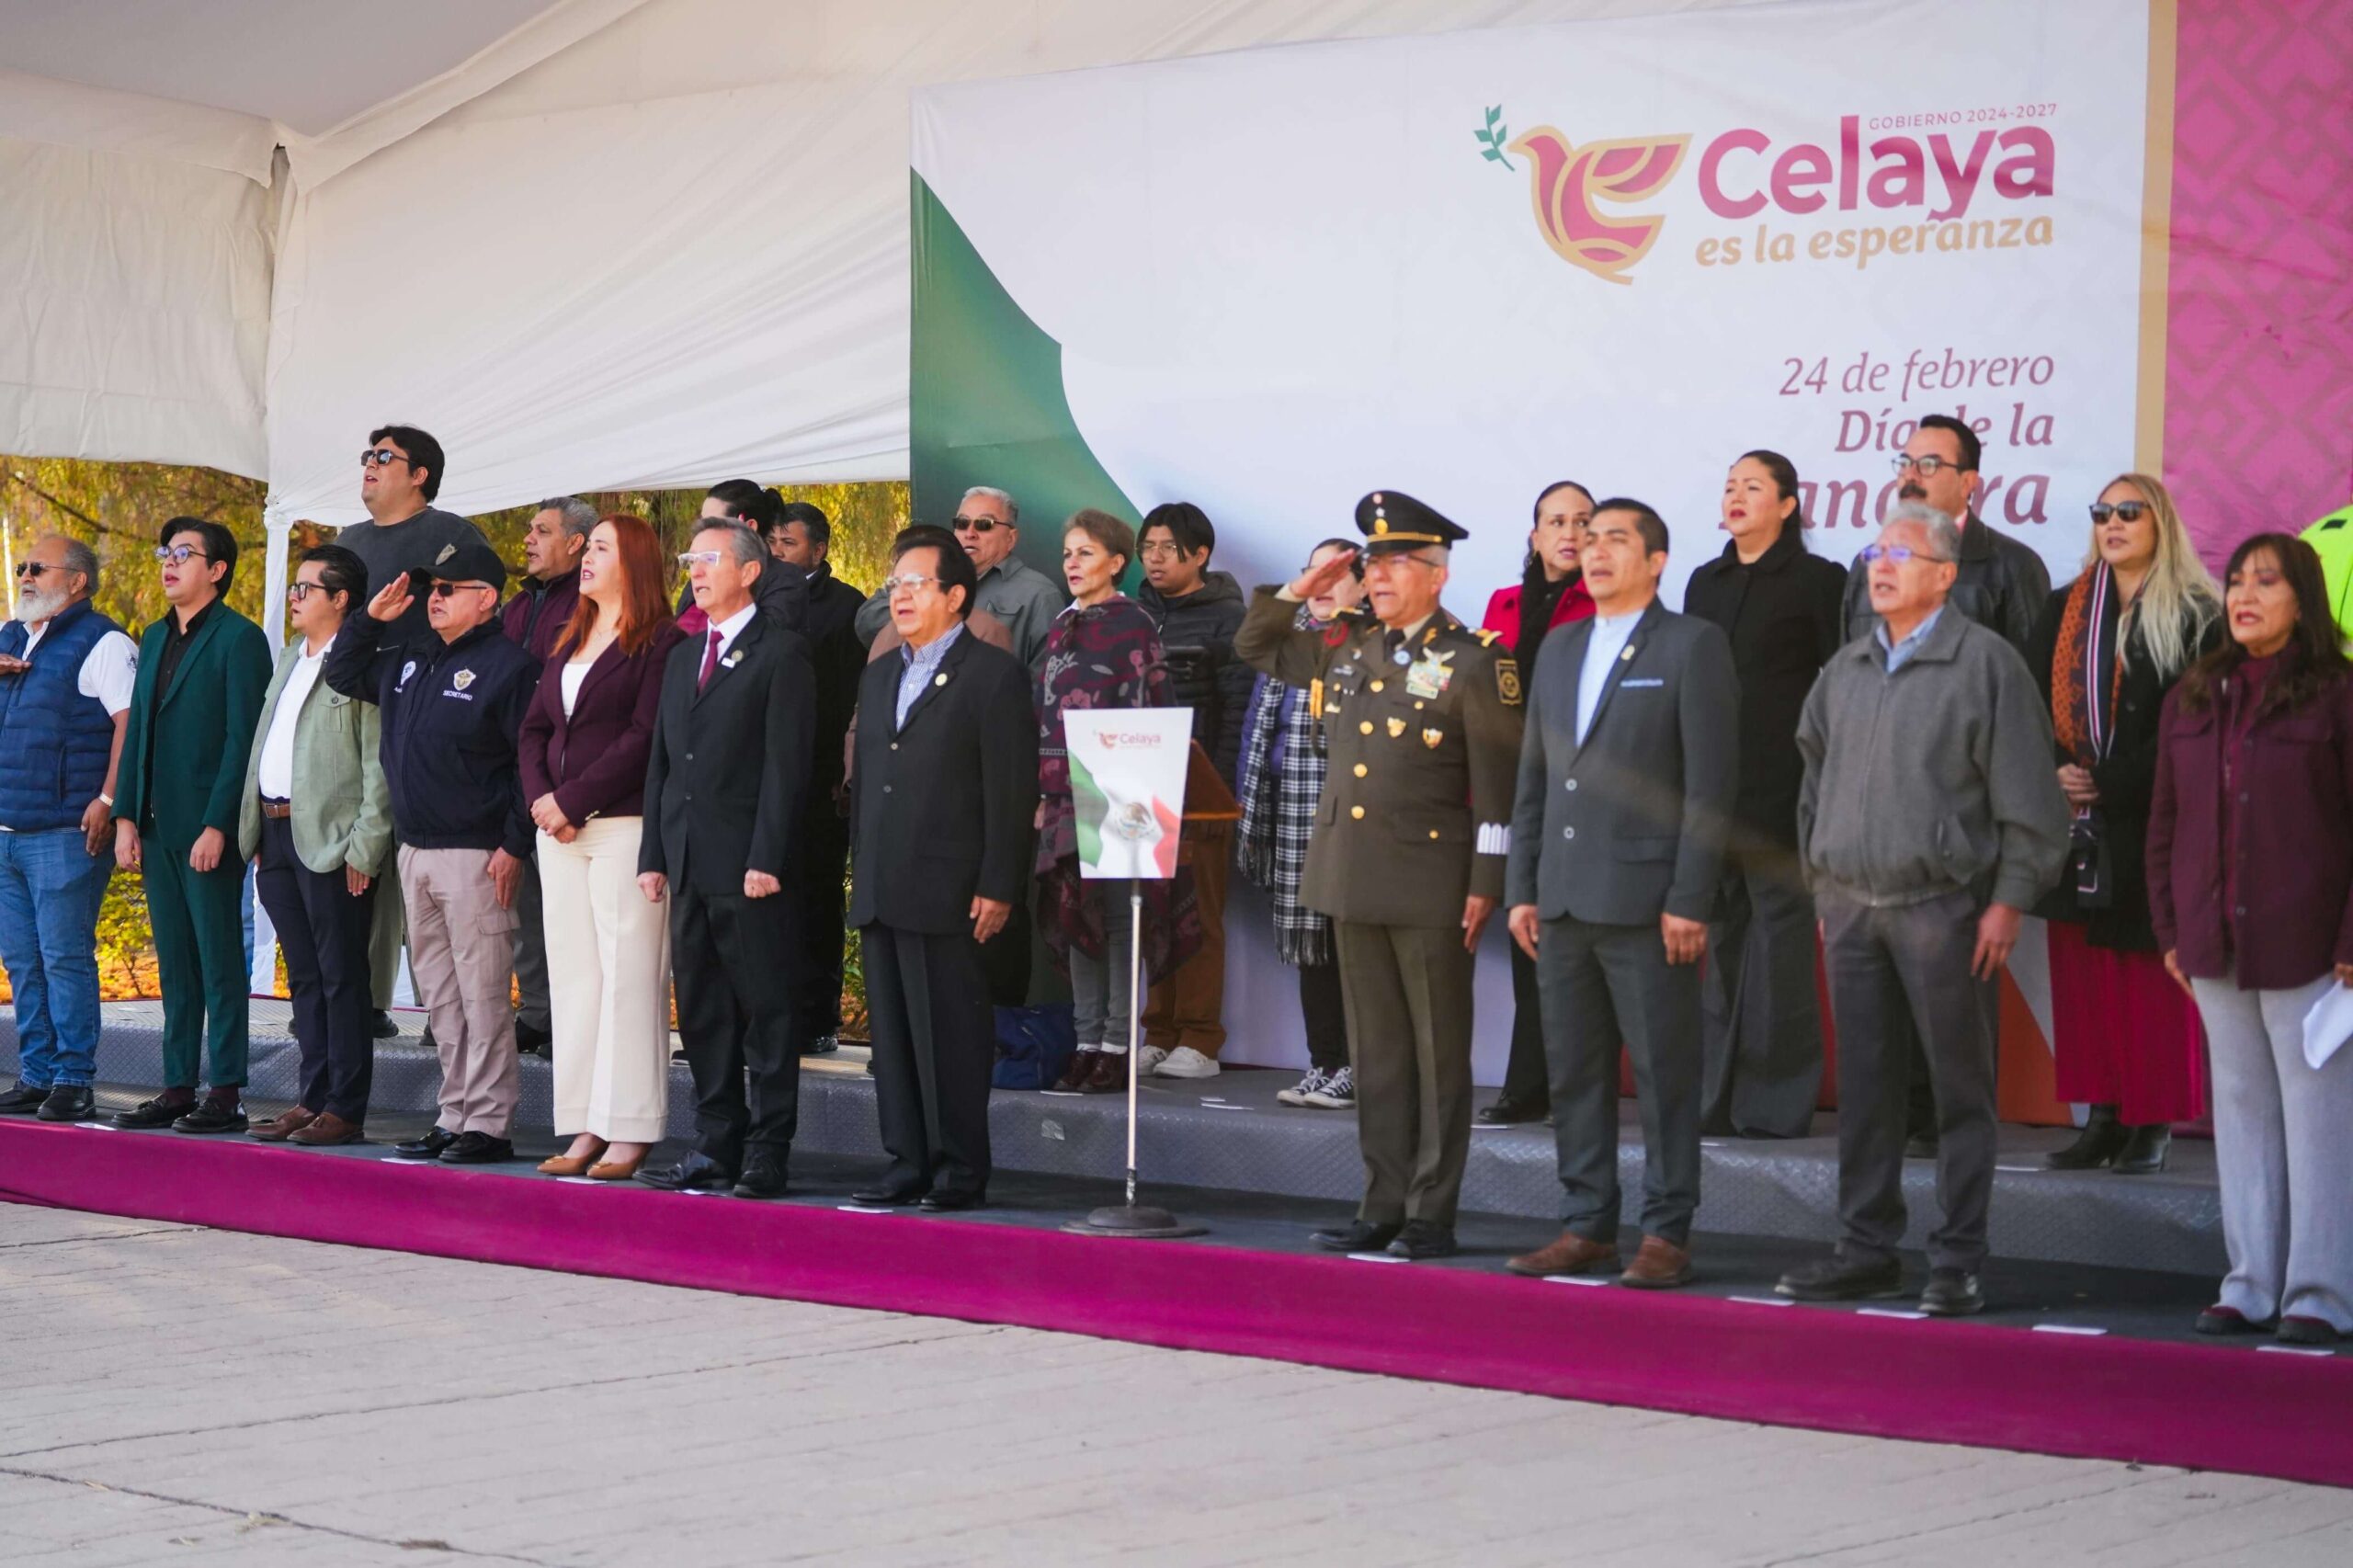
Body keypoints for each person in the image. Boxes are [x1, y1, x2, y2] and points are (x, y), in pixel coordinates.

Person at [1779, 505, 2069, 1316]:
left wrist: (2008, 902)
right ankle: (1866, 1248)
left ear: (1944, 576)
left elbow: (2031, 804)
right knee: (1868, 1090)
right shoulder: (1845, 669)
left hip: (1944, 909)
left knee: (1958, 1093)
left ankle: (1959, 1260)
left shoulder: (1986, 665)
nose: (1881, 565)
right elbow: (1812, 782)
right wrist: (1822, 882)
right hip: (1852, 909)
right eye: (1875, 551)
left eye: (1902, 554)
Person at [1234, 491, 1523, 1261]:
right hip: (1351, 877)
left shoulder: (1476, 658)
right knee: (1379, 1052)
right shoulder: (1348, 647)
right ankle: (1382, 1202)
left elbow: (1499, 785)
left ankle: (1433, 1211)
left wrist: (1487, 881)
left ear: (1436, 572)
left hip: (1432, 881)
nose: (1380, 575)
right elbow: (1257, 646)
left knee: (1435, 1053)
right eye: (1373, 563)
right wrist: (1298, 591)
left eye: (1397, 562)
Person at [1503, 500, 1738, 1287]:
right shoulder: (1562, 646)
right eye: (1586, 538)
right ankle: (1586, 1223)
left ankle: (1667, 1232)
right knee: (1573, 1071)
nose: (1592, 550)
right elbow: (1534, 776)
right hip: (1562, 901)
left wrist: (1691, 896)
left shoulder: (1692, 645)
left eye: (1614, 539)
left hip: (1649, 905)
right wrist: (1522, 886)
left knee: (1667, 1077)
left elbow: (1710, 785)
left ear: (1658, 560)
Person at [2149, 533, 2353, 1346]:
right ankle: (2250, 1284)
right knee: (2242, 1117)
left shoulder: (2338, 694)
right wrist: (2170, 930)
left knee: (2320, 1120)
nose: (2245, 594)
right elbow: (2165, 824)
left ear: (2302, 598)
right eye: (2236, 580)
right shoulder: (2193, 696)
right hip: (2211, 946)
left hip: (2313, 946)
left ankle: (2320, 1293)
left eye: (2266, 582)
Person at [1836, 415, 2052, 1157]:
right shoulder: (1864, 566)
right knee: (1878, 1007)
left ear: (1970, 483)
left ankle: (1954, 1146)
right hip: (1873, 832)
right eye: (1906, 459)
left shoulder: (2010, 566)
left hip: (1963, 832)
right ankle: (1894, 1130)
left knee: (1954, 1000)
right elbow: (1841, 697)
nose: (1912, 472)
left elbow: (2027, 707)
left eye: (1931, 462)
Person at [324, 535, 540, 1165]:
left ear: (488, 599)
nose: (434, 599)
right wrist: (369, 620)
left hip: (476, 854)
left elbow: (526, 764)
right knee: (442, 1000)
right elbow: (341, 670)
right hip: (415, 850)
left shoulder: (510, 666)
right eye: (431, 589)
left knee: (483, 996)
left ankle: (490, 1124)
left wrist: (513, 844)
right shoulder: (411, 657)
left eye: (448, 590)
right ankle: (454, 1114)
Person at [2028, 475, 2221, 1173]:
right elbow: (2027, 701)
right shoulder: (2066, 608)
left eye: (2128, 511)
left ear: (2160, 522)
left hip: (2155, 818)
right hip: (2077, 821)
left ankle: (2154, 1120)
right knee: (2086, 974)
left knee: (2147, 973)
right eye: (2102, 512)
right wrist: (2061, 769)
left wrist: (2108, 780)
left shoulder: (2198, 614)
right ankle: (2102, 1117)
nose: (2112, 522)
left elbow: (2194, 722)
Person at [846, 530, 1037, 1208]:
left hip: (952, 887)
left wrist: (998, 882)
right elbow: (869, 779)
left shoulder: (993, 675)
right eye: (894, 584)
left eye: (916, 584)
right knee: (893, 1043)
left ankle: (958, 1170)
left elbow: (1012, 790)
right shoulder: (879, 673)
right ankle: (906, 1162)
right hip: (882, 881)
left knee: (950, 1038)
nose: (900, 595)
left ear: (955, 597)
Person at [637, 521, 815, 1197]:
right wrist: (654, 852)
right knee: (705, 1012)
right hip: (686, 863)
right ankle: (717, 1141)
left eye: (709, 559)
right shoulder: (684, 655)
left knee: (765, 1011)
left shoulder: (781, 654)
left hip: (749, 868)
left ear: (748, 572)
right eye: (691, 560)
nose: (695, 570)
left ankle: (768, 1149)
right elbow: (662, 763)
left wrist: (767, 855)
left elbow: (785, 767)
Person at [1682, 451, 1847, 1140]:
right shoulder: (1703, 582)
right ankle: (1712, 1101)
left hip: (1785, 791)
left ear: (1787, 505)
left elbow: (1838, 685)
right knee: (1715, 950)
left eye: (1753, 486)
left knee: (1780, 954)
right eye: (1729, 486)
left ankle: (1775, 1105)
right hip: (1710, 794)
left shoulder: (1819, 580)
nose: (1736, 496)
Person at [519, 514, 686, 1182]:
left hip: (622, 826)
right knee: (577, 980)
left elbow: (644, 739)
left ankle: (631, 1127)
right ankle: (586, 1122)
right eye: (586, 548)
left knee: (630, 977)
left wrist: (572, 799)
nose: (586, 557)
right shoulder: (571, 635)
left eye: (601, 549)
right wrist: (543, 801)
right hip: (558, 832)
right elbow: (533, 727)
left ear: (634, 562)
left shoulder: (661, 642)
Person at [106, 519, 271, 1133]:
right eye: (164, 552)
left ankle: (225, 1090)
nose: (168, 563)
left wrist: (219, 825)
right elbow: (140, 731)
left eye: (184, 554)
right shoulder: (151, 638)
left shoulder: (239, 639)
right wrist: (126, 816)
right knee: (174, 962)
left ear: (218, 569)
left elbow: (241, 742)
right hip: (154, 826)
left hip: (206, 830)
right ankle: (177, 1086)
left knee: (218, 959)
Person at [335, 424, 492, 1040]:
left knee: (428, 862)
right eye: (366, 456)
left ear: (419, 473)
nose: (368, 466)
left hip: (428, 713)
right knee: (359, 856)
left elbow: (474, 621)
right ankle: (365, 1001)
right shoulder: (348, 541)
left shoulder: (451, 536)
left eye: (383, 457)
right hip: (353, 707)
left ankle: (442, 1008)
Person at [238, 544, 390, 1147]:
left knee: (340, 976)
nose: (294, 597)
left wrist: (365, 844)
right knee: (302, 976)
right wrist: (252, 825)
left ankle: (345, 1107)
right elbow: (264, 744)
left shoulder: (358, 663)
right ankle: (312, 1097)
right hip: (275, 835)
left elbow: (379, 763)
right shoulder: (288, 658)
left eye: (306, 588)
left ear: (340, 599)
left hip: (331, 840)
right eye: (295, 588)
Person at [1037, 510, 1180, 1094]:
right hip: (1062, 791)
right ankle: (1086, 1040)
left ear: (1116, 562)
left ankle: (1119, 1046)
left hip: (1119, 788)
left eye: (1086, 553)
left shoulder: (1132, 624)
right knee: (1075, 918)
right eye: (1068, 553)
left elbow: (1152, 706)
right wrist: (1044, 791)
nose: (1073, 563)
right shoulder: (1059, 624)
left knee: (1119, 920)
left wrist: (1134, 791)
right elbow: (1043, 710)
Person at [0, 536, 134, 1124]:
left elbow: (129, 727)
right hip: (6, 829)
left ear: (76, 581)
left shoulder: (103, 641)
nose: (25, 576)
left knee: (64, 957)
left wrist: (108, 798)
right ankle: (35, 1074)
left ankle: (74, 1078)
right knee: (22, 961)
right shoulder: (9, 636)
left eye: (37, 568)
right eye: (23, 568)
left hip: (63, 832)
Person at [1477, 479, 1596, 1126]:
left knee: (1572, 944)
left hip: (1579, 794)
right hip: (1514, 792)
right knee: (1527, 936)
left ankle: (1570, 1086)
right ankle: (1527, 1085)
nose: (1569, 533)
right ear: (1535, 535)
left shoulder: (1605, 602)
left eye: (1582, 522)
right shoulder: (1504, 603)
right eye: (1556, 521)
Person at [1238, 539, 1366, 1110]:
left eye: (1336, 574)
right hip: (1291, 807)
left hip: (1353, 816)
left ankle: (1360, 1066)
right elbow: (1255, 731)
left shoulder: (1373, 645)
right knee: (1310, 944)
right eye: (1311, 572)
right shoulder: (1296, 645)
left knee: (1350, 945)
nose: (1321, 584)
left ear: (1365, 584)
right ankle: (1326, 1061)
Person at [1135, 500, 1253, 1080]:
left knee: (1199, 917)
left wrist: (1223, 791)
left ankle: (1201, 1040)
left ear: (1200, 554)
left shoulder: (1228, 618)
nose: (1155, 559)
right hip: (1136, 786)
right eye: (1148, 547)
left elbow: (1239, 710)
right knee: (1150, 915)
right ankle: (1159, 1030)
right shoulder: (1131, 612)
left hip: (1201, 790)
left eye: (1168, 549)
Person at [767, 500, 865, 1057]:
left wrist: (838, 775)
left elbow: (844, 700)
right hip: (766, 782)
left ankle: (817, 1018)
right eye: (773, 543)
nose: (778, 552)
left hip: (821, 781)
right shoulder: (753, 600)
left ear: (819, 551)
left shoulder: (846, 606)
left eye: (789, 544)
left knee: (817, 900)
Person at [500, 495, 597, 1057]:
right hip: (513, 773)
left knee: (569, 910)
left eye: (543, 530)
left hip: (565, 780)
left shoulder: (587, 603)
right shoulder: (516, 604)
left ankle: (575, 1019)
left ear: (576, 542)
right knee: (526, 904)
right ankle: (538, 1012)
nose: (529, 539)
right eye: (530, 529)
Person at [853, 486, 1066, 666]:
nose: (970, 533)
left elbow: (1046, 681)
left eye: (984, 525)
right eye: (962, 523)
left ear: (1011, 538)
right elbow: (867, 621)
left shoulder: (1039, 595)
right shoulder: (926, 578)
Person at [675, 481, 810, 633]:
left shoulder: (785, 580)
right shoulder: (700, 574)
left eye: (713, 524)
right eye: (702, 522)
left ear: (749, 526)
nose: (703, 532)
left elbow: (766, 644)